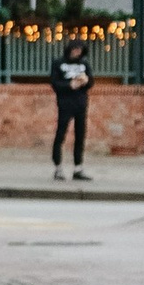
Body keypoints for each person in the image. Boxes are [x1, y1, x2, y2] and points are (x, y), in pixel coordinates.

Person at [51, 32, 93, 181]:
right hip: (65, 103)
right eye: (75, 49)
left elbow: (91, 83)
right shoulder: (59, 63)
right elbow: (55, 83)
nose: (77, 52)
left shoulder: (84, 64)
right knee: (61, 134)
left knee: (80, 135)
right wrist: (70, 85)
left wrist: (85, 81)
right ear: (69, 49)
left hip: (81, 103)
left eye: (80, 50)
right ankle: (58, 167)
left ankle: (78, 167)